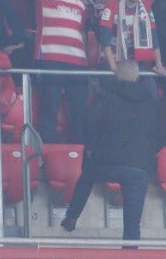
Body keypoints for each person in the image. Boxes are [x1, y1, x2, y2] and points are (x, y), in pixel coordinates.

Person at [58, 59, 157, 240]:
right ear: (137, 77)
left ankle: (72, 216)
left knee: (87, 175)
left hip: (104, 160)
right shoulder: (150, 101)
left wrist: (91, 147)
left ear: (117, 77)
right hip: (138, 165)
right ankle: (130, 251)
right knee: (132, 222)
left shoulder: (104, 96)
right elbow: (159, 131)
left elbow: (89, 122)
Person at [17, 0, 89, 144]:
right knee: (49, 109)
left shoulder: (80, 0)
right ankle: (47, 154)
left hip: (77, 63)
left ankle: (79, 155)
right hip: (50, 58)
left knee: (79, 114)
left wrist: (86, 63)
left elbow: (82, 32)